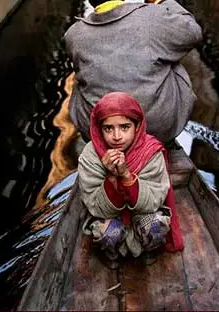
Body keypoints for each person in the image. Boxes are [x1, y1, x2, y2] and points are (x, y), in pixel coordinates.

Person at [64, 0, 203, 145]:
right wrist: (159, 1)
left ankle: (105, 137)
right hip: (156, 129)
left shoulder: (73, 36)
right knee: (171, 54)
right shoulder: (153, 17)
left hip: (101, 132)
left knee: (78, 81)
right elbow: (193, 32)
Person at [77, 91, 184, 269]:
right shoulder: (90, 156)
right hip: (112, 218)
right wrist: (111, 177)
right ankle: (113, 253)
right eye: (108, 128)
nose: (117, 136)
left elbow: (154, 201)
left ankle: (149, 248)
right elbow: (95, 207)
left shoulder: (151, 152)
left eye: (125, 127)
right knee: (107, 232)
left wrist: (126, 175)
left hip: (142, 216)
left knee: (155, 226)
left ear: (137, 126)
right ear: (99, 129)